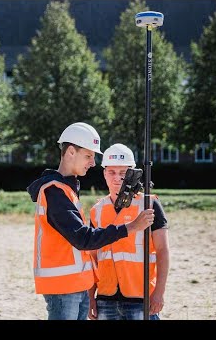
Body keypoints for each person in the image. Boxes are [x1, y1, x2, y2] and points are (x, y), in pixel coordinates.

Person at [26, 123, 155, 320]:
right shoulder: (55, 192)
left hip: (77, 284)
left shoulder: (67, 189)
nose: (93, 162)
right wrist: (131, 227)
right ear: (70, 151)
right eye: (88, 156)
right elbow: (83, 239)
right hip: (63, 287)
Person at [87, 143, 170, 320]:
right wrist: (90, 297)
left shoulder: (149, 204)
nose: (117, 178)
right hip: (105, 299)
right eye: (112, 172)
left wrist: (159, 293)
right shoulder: (97, 210)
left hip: (141, 297)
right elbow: (92, 259)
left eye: (123, 173)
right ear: (104, 173)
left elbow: (163, 251)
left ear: (132, 174)